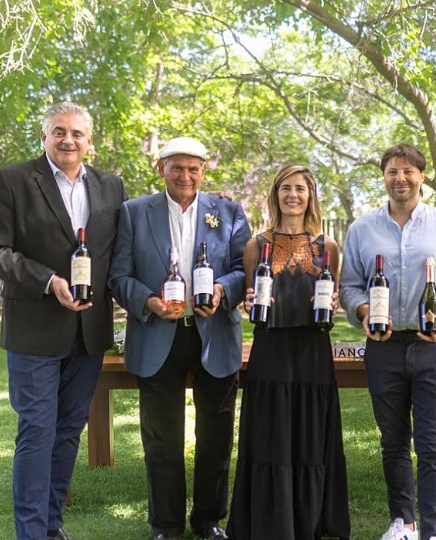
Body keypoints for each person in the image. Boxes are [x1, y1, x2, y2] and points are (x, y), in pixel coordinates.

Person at [0, 102, 127, 540]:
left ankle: (51, 525)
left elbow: (120, 252)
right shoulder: (14, 180)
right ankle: (31, 532)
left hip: (89, 332)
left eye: (77, 133)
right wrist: (47, 281)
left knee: (68, 432)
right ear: (44, 137)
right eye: (59, 131)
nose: (68, 140)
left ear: (89, 140)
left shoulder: (111, 186)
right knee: (38, 431)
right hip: (34, 331)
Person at [339, 144, 436, 540]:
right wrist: (364, 311)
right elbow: (349, 286)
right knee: (393, 441)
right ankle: (402, 523)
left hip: (434, 347)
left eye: (408, 171)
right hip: (383, 347)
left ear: (421, 176)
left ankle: (434, 531)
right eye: (392, 171)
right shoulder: (362, 230)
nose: (400, 178)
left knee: (432, 443)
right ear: (383, 177)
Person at [107, 136, 250, 540]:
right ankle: (166, 524)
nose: (185, 175)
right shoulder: (134, 212)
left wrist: (221, 291)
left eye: (193, 168)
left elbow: (244, 268)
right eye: (177, 167)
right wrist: (148, 302)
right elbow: (118, 276)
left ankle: (208, 519)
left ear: (203, 171)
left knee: (216, 435)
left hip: (214, 334)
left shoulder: (229, 212)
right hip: (157, 335)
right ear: (161, 169)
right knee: (161, 439)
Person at [227, 165, 351, 540]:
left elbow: (333, 299)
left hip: (313, 350)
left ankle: (311, 521)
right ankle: (270, 522)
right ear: (275, 195)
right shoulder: (257, 245)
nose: (292, 195)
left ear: (310, 195)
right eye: (285, 188)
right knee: (270, 432)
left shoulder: (327, 247)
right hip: (271, 348)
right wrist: (249, 302)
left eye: (300, 188)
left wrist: (331, 304)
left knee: (311, 433)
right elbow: (250, 300)